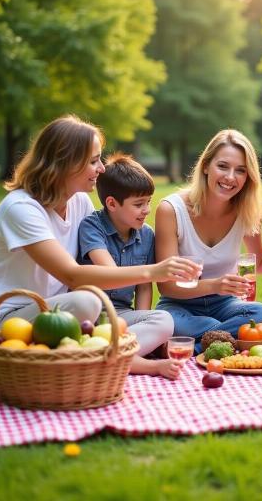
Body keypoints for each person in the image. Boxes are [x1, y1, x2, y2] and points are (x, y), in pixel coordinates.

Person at [0, 115, 200, 370]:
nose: (101, 168)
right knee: (86, 301)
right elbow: (72, 276)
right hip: (5, 324)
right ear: (65, 163)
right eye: (93, 161)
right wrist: (154, 271)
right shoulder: (21, 208)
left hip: (65, 317)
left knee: (162, 320)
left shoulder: (79, 202)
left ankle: (98, 358)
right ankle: (4, 353)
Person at [155, 129, 262, 354]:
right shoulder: (171, 210)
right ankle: (227, 339)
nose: (230, 177)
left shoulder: (248, 211)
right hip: (180, 306)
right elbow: (166, 285)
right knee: (167, 322)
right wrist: (214, 285)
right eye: (222, 166)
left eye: (240, 170)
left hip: (225, 305)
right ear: (205, 166)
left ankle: (194, 347)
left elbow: (259, 263)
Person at [78, 152, 184, 380]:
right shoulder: (91, 226)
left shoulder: (147, 235)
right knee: (127, 329)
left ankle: (103, 353)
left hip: (124, 316)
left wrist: (143, 317)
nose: (146, 210)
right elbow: (109, 273)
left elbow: (144, 287)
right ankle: (145, 364)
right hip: (93, 315)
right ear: (112, 204)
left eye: (148, 202)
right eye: (138, 204)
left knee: (164, 320)